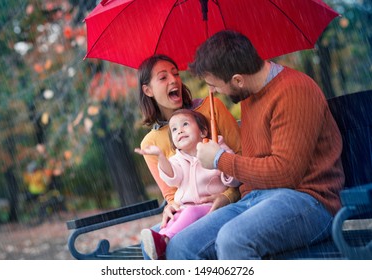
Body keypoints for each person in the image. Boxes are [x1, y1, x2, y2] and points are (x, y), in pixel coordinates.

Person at [165, 30, 345, 259]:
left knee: (233, 239)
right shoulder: (249, 95)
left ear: (238, 80)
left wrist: (220, 159)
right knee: (181, 246)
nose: (213, 91)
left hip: (309, 200)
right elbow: (252, 165)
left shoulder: (295, 91)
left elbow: (286, 173)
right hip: (256, 198)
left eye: (215, 85)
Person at [137, 54, 242, 230]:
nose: (174, 80)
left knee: (176, 246)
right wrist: (171, 208)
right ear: (148, 90)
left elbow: (242, 157)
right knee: (151, 240)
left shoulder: (211, 107)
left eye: (176, 74)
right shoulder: (150, 143)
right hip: (186, 212)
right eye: (163, 77)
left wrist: (228, 196)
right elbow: (171, 194)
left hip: (226, 207)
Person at [135, 109, 240, 259]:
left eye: (185, 124)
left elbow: (234, 176)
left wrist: (219, 159)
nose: (180, 131)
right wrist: (160, 156)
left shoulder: (215, 146)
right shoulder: (177, 159)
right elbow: (172, 177)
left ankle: (164, 240)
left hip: (211, 207)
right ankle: (160, 240)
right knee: (172, 221)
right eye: (175, 129)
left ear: (203, 131)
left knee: (189, 214)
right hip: (185, 209)